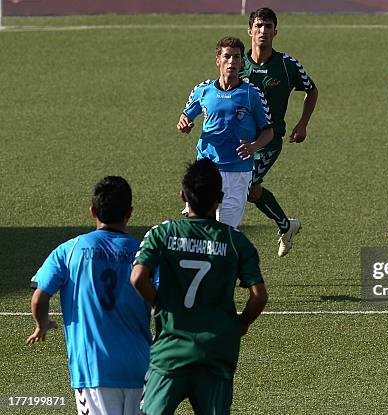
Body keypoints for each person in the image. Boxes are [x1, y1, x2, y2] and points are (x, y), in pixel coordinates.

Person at [131, 158, 268, 414]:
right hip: (216, 352)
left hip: (170, 352)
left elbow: (138, 278)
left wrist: (160, 304)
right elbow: (258, 296)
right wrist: (243, 323)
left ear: (183, 195)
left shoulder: (163, 233)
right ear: (221, 196)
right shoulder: (236, 242)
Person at [27, 176, 151, 414]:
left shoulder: (69, 250)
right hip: (139, 366)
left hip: (94, 370)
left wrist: (41, 324)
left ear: (93, 211)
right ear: (130, 212)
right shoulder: (143, 252)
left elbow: (40, 296)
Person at [240, 7, 319, 257]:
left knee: (244, 185)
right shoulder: (238, 63)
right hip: (239, 141)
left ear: (276, 31)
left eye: (268, 27)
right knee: (252, 191)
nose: (263, 31)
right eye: (259, 26)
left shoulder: (287, 65)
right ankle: (287, 226)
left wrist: (303, 123)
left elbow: (311, 90)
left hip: (268, 142)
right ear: (250, 30)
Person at [177, 36, 273, 229]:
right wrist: (184, 123)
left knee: (225, 232)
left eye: (237, 57)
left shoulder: (251, 93)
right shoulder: (202, 90)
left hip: (237, 173)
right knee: (197, 228)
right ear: (218, 59)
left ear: (242, 62)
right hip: (205, 170)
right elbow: (185, 117)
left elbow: (268, 131)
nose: (232, 62)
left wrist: (254, 146)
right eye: (227, 57)